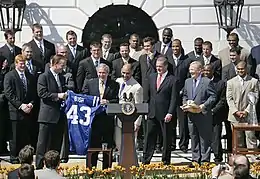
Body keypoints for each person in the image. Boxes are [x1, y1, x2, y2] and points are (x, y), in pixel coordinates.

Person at [82, 64, 119, 169]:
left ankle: (106, 171)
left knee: (107, 147)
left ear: (107, 73)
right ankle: (90, 170)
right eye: (100, 72)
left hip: (107, 120)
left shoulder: (114, 84)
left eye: (104, 73)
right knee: (93, 146)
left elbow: (117, 100)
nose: (101, 75)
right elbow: (85, 97)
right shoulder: (90, 83)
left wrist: (107, 102)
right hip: (94, 120)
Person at [142, 56, 178, 165]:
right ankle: (146, 159)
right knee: (149, 137)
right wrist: (146, 110)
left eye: (161, 67)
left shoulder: (173, 80)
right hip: (152, 113)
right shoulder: (151, 77)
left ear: (166, 66)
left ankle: (166, 160)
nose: (158, 68)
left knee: (166, 138)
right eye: (157, 66)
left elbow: (174, 98)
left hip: (165, 113)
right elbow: (148, 95)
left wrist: (170, 112)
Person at [182, 61, 216, 167]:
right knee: (193, 137)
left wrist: (203, 106)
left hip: (203, 114)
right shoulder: (187, 81)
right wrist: (185, 103)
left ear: (200, 70)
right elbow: (185, 95)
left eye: (193, 69)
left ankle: (205, 160)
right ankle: (195, 159)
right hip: (191, 115)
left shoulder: (207, 82)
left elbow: (213, 96)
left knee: (204, 138)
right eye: (190, 69)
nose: (191, 71)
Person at [36, 55, 67, 169]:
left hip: (58, 115)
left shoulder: (62, 77)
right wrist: (57, 96)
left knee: (56, 144)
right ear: (55, 64)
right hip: (47, 116)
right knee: (42, 144)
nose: (63, 68)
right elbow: (42, 93)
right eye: (61, 65)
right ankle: (39, 167)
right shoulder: (43, 77)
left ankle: (54, 167)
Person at [4, 54, 37, 164]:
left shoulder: (30, 76)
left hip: (27, 112)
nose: (23, 66)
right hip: (15, 111)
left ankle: (25, 157)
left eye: (24, 64)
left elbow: (33, 93)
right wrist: (21, 105)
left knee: (25, 137)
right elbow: (9, 93)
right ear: (16, 64)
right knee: (15, 137)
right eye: (21, 64)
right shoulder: (10, 76)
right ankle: (14, 158)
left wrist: (31, 104)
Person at [226, 61, 258, 149]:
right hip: (235, 116)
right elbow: (229, 98)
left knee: (251, 138)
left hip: (249, 115)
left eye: (242, 69)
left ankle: (252, 159)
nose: (240, 71)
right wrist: (235, 111)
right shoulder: (230, 82)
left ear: (246, 69)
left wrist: (246, 111)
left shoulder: (254, 81)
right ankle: (240, 160)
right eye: (238, 69)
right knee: (238, 139)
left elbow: (255, 98)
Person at [168, 39, 193, 152]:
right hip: (170, 95)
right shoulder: (167, 60)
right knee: (171, 120)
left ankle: (183, 145)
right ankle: (172, 144)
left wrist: (183, 90)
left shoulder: (187, 61)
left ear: (180, 47)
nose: (175, 49)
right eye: (173, 47)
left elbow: (189, 78)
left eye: (177, 46)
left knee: (183, 122)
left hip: (183, 95)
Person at [114, 64, 143, 151]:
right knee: (118, 143)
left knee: (129, 145)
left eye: (127, 73)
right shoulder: (118, 81)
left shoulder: (137, 87)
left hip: (131, 120)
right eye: (123, 73)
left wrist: (137, 123)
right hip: (118, 118)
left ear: (132, 73)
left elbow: (139, 106)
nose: (125, 75)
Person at [203, 64, 227, 162]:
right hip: (203, 114)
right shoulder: (201, 82)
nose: (206, 72)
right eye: (204, 70)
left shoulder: (220, 83)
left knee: (216, 137)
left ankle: (218, 157)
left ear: (212, 71)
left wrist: (213, 111)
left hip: (215, 115)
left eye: (208, 70)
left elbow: (222, 100)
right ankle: (204, 157)